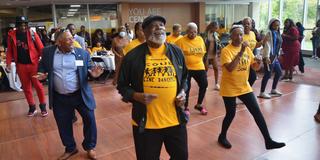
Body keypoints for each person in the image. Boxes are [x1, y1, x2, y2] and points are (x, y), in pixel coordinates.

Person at [117, 15, 189, 160]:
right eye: (154, 25)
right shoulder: (132, 57)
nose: (160, 28)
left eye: (162, 25)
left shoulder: (176, 52)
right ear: (144, 31)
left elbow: (184, 79)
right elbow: (122, 86)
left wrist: (182, 92)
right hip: (146, 124)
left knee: (181, 156)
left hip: (174, 121)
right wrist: (136, 96)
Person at [35, 30, 103, 160]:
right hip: (60, 97)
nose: (73, 41)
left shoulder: (82, 53)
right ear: (59, 43)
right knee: (63, 123)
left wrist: (93, 75)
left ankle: (90, 147)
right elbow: (42, 66)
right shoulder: (48, 53)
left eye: (72, 38)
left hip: (80, 95)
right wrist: (41, 75)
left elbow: (89, 69)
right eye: (68, 39)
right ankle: (70, 148)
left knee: (89, 119)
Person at [218, 25, 285, 150]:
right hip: (229, 88)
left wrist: (258, 62)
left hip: (244, 86)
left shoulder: (248, 49)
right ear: (231, 36)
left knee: (257, 112)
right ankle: (222, 136)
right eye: (236, 34)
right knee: (230, 114)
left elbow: (254, 68)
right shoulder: (226, 51)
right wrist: (241, 51)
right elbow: (230, 68)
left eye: (241, 34)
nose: (239, 37)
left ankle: (268, 141)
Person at [6, 16, 47, 117]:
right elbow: (9, 51)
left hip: (34, 65)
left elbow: (41, 48)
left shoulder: (33, 34)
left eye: (25, 24)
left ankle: (43, 107)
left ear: (27, 25)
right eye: (21, 25)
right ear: (17, 25)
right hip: (21, 66)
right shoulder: (11, 35)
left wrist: (45, 63)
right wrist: (8, 64)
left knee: (38, 86)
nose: (23, 27)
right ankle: (32, 108)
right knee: (26, 88)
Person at [175, 22, 208, 116]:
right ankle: (186, 107)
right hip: (187, 68)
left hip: (199, 66)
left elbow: (204, 53)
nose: (193, 34)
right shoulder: (181, 41)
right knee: (187, 88)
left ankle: (199, 104)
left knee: (204, 84)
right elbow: (175, 54)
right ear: (187, 31)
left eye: (195, 32)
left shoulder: (200, 39)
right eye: (191, 32)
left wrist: (205, 64)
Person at [258, 18, 283, 99]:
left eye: (278, 25)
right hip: (269, 57)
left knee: (279, 72)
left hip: (275, 57)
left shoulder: (278, 33)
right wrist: (266, 56)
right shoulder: (269, 33)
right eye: (275, 25)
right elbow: (267, 45)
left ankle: (273, 89)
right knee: (267, 74)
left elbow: (278, 45)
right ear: (271, 25)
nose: (277, 26)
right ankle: (262, 92)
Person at [204, 21, 220, 90]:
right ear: (211, 27)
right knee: (206, 70)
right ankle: (205, 84)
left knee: (216, 68)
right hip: (206, 55)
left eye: (217, 28)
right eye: (215, 28)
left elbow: (218, 43)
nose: (216, 29)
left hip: (214, 54)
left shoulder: (216, 34)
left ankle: (216, 84)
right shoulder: (205, 34)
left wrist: (220, 48)